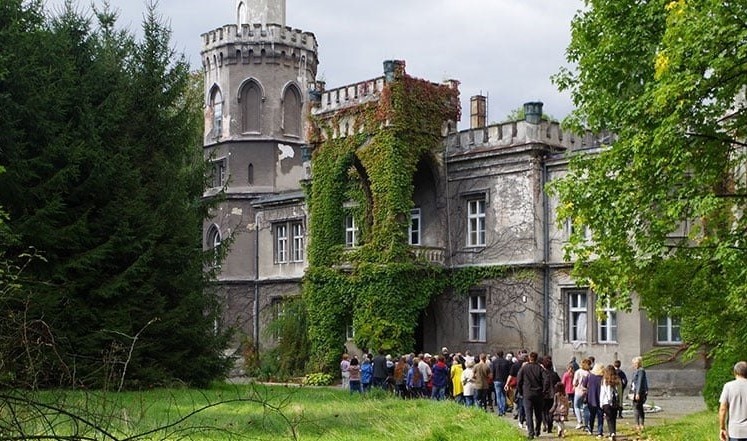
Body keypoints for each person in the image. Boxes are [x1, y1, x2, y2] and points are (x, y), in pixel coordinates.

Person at [516, 352, 548, 439]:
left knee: (528, 414)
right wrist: (544, 391)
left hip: (527, 393)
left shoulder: (524, 368)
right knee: (538, 414)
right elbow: (546, 379)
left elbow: (519, 381)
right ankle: (537, 430)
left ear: (529, 358)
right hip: (538, 393)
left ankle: (531, 433)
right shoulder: (540, 368)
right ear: (536, 358)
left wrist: (520, 391)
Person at [719, 361, 747, 441]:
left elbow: (723, 409)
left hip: (735, 431)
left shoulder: (728, 386)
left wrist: (722, 428)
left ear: (735, 373)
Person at [600, 364, 621, 441]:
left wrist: (601, 403)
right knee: (614, 418)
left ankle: (611, 433)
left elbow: (604, 392)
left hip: (606, 402)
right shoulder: (617, 379)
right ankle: (614, 432)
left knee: (608, 418)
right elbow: (618, 391)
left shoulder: (605, 379)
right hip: (615, 402)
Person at [585, 363, 605, 437]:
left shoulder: (589, 376)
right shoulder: (603, 377)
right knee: (600, 416)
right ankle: (600, 431)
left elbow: (584, 384)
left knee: (592, 415)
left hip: (591, 398)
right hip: (600, 399)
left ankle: (590, 429)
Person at [631, 356, 649, 433]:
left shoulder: (640, 371)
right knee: (639, 408)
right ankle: (641, 424)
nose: (633, 365)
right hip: (638, 391)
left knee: (636, 408)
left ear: (638, 363)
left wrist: (637, 393)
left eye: (634, 363)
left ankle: (638, 424)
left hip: (638, 392)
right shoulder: (639, 370)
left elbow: (640, 382)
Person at [573, 358, 591, 430]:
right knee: (586, 408)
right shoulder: (589, 373)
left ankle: (579, 422)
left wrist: (575, 385)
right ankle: (586, 424)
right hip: (587, 392)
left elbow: (574, 382)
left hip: (578, 391)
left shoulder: (578, 372)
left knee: (576, 406)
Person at [492, 350, 511, 416]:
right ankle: (503, 410)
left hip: (497, 380)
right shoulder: (506, 362)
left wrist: (493, 379)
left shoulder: (494, 362)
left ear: (497, 355)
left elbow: (493, 371)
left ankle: (500, 410)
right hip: (504, 380)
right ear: (503, 354)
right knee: (503, 395)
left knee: (498, 396)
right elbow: (509, 372)